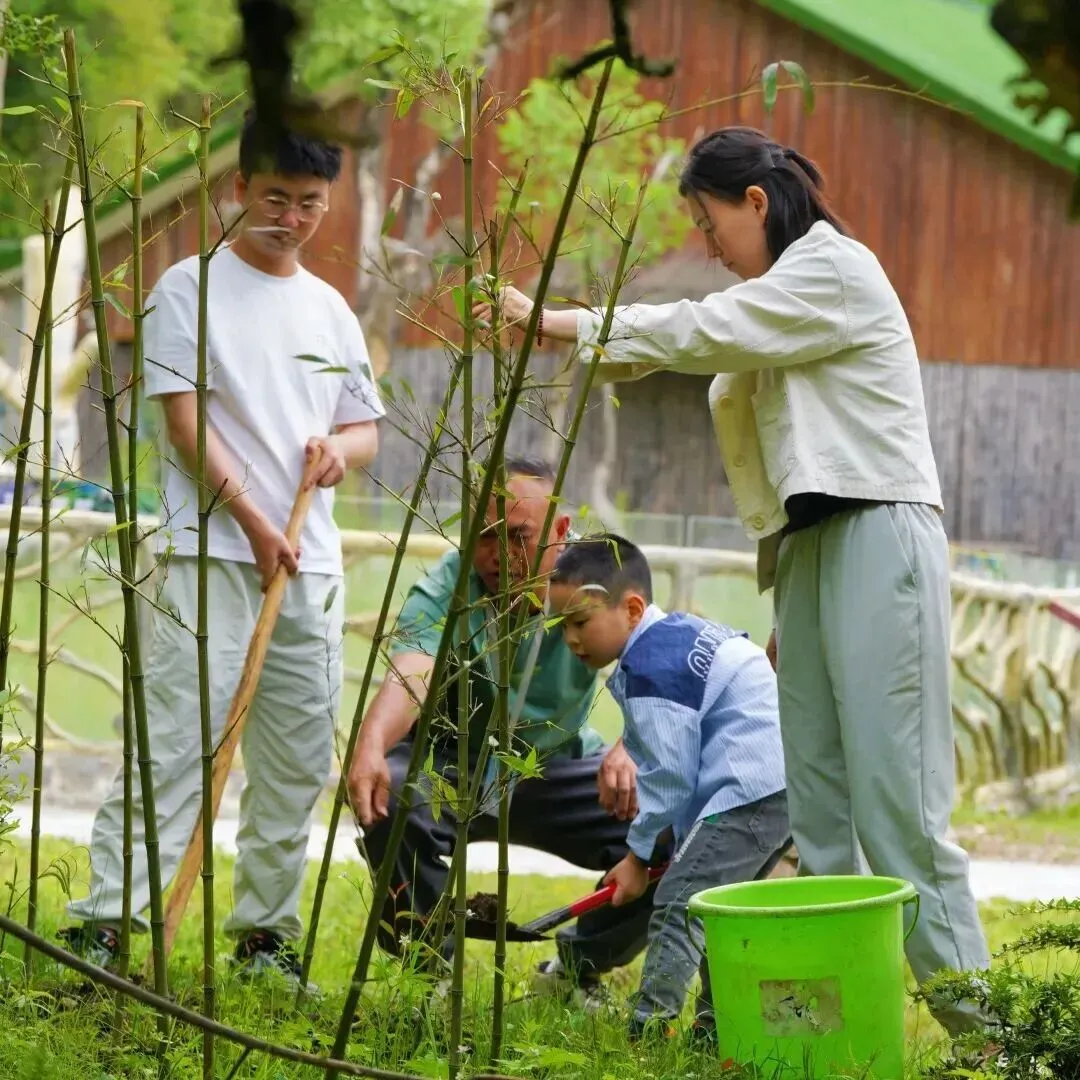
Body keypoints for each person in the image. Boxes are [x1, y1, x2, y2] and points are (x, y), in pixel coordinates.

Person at [476, 126, 992, 1038]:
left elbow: (707, 328)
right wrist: (797, 595)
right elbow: (714, 349)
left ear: (756, 202)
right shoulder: (779, 297)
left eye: (711, 227)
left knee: (899, 810)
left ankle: (990, 1036)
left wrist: (560, 320)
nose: (708, 251)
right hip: (811, 552)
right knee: (824, 820)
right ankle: (826, 1034)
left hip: (879, 533)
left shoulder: (834, 272)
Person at [60, 111, 385, 990]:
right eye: (275, 197)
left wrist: (333, 457)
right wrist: (250, 518)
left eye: (310, 203)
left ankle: (264, 942)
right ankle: (110, 925)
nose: (291, 217)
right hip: (213, 557)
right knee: (172, 745)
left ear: (329, 202)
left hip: (306, 568)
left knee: (293, 762)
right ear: (237, 189)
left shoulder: (330, 309)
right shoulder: (187, 290)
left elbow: (363, 430)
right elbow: (183, 422)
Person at [348, 457, 670, 1007]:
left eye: (517, 536)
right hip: (454, 766)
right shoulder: (448, 587)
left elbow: (660, 659)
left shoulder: (596, 579)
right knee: (393, 796)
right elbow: (412, 672)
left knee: (673, 825)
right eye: (483, 537)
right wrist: (372, 744)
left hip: (557, 767)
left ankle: (574, 969)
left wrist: (632, 742)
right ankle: (429, 976)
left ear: (560, 532)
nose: (497, 555)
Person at [548, 533, 790, 1042]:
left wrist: (637, 858)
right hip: (778, 784)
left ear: (632, 608)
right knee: (719, 911)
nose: (570, 639)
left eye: (580, 622)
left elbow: (671, 776)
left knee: (682, 902)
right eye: (561, 624)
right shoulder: (677, 636)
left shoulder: (651, 669)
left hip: (749, 787)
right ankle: (718, 1034)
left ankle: (648, 1028)